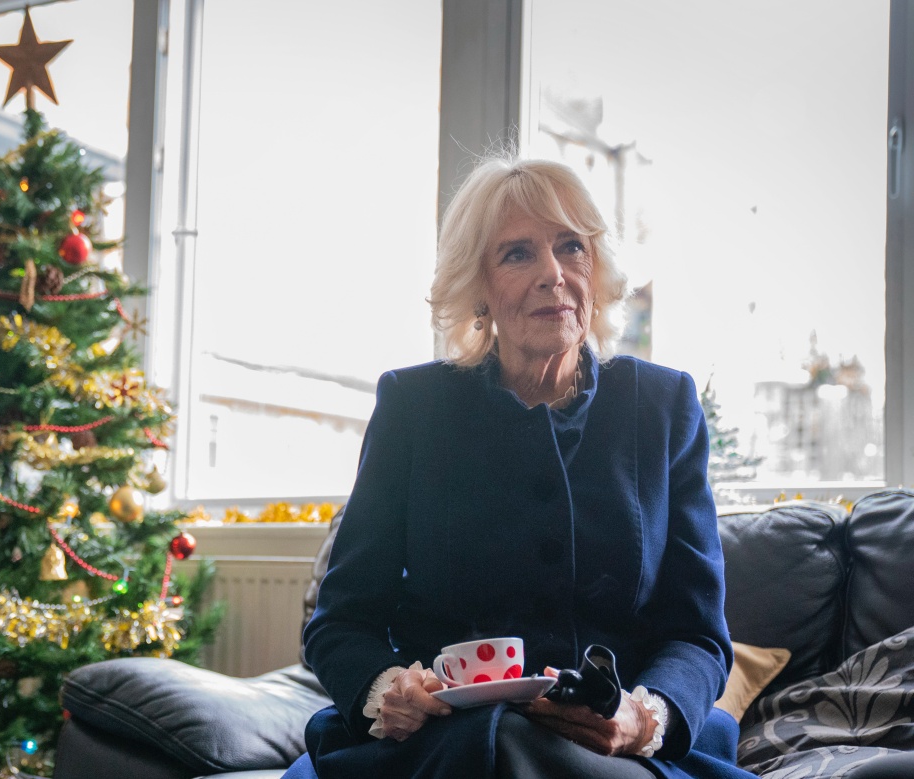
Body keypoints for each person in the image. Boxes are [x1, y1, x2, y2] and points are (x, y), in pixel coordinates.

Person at [282, 157, 758, 779]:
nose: (552, 275)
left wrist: (643, 719)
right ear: (477, 283)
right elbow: (341, 620)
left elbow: (697, 633)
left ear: (597, 269)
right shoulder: (414, 406)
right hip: (440, 741)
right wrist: (387, 688)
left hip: (609, 748)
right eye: (517, 254)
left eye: (571, 248)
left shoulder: (663, 405)